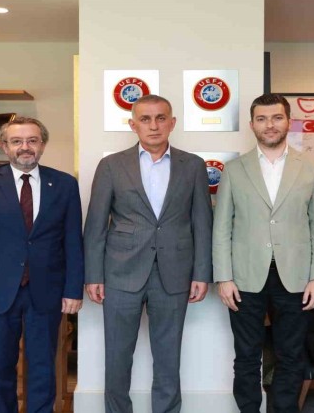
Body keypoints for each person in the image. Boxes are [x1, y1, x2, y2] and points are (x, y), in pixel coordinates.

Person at [84, 94, 213, 413]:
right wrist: (93, 275)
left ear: (172, 122)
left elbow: (202, 222)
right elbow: (96, 224)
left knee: (169, 359)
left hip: (175, 273)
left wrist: (202, 273)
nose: (153, 125)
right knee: (117, 357)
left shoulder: (193, 165)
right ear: (133, 125)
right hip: (120, 273)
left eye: (160, 118)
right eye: (145, 119)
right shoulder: (111, 165)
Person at [213, 93, 314, 412]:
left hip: (296, 277)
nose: (270, 125)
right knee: (246, 356)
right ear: (252, 124)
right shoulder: (234, 169)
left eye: (277, 117)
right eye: (262, 119)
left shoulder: (311, 168)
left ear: (288, 121)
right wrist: (223, 277)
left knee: (291, 355)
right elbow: (221, 227)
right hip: (244, 277)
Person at [0, 116, 84, 413]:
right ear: (4, 146)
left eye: (32, 140)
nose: (25, 147)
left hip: (47, 289)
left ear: (42, 145)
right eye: (16, 141)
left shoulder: (64, 184)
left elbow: (73, 241)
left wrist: (73, 289)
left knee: (43, 364)